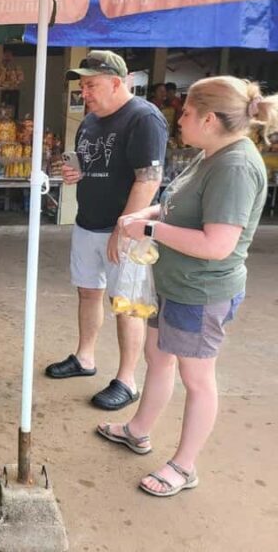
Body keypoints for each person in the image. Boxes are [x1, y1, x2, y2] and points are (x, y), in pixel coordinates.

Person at [96, 76, 269, 497]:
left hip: (201, 291)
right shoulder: (210, 154)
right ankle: (138, 430)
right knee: (158, 357)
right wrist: (143, 217)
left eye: (186, 113)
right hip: (172, 283)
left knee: (197, 377)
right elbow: (174, 204)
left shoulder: (236, 166)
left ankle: (184, 465)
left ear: (209, 119)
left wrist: (150, 228)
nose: (179, 119)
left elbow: (218, 244)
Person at [45, 50, 168, 411]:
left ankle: (127, 380)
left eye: (91, 85)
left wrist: (124, 229)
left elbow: (149, 180)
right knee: (88, 292)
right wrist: (75, 174)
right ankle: (85, 358)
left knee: (126, 304)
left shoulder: (143, 118)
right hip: (88, 222)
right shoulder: (90, 120)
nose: (85, 93)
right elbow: (91, 165)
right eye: (82, 86)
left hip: (124, 228)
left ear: (118, 82)